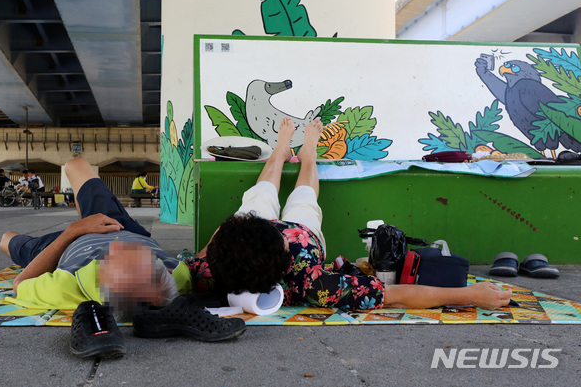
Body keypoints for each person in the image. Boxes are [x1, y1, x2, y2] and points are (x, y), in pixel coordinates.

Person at [189, 118, 512, 311]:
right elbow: (397, 295)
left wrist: (235, 231)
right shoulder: (311, 282)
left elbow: (213, 245)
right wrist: (471, 294)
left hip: (247, 236)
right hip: (304, 233)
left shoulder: (207, 270)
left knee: (257, 198)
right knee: (303, 197)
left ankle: (281, 149)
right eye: (281, 240)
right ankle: (308, 156)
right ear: (284, 258)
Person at [0, 157, 245, 358]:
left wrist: (74, 230)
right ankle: (85, 211)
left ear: (105, 282)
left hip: (67, 245)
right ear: (163, 268)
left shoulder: (66, 285)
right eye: (141, 256)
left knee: (7, 239)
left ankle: (80, 219)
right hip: (114, 223)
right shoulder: (177, 276)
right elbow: (207, 252)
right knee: (76, 164)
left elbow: (19, 284)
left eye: (114, 259)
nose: (118, 247)